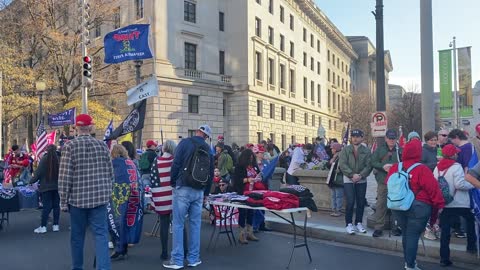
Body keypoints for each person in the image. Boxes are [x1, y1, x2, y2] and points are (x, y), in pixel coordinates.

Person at [58, 114, 114, 270]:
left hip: (77, 200)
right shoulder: (102, 145)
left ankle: (77, 267)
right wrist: (107, 193)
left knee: (77, 237)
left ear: (76, 128)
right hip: (100, 198)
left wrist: (63, 201)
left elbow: (64, 177)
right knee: (101, 235)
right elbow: (111, 173)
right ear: (90, 127)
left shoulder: (69, 146)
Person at [385, 139, 445, 270]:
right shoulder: (422, 169)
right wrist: (439, 205)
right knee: (413, 235)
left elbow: (388, 184)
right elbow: (433, 189)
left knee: (406, 233)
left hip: (398, 206)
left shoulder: (395, 167)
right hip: (419, 206)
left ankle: (408, 262)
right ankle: (410, 265)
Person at [163, 125, 214, 269]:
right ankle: (193, 258)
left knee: (178, 224)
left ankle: (177, 260)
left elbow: (176, 164)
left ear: (197, 131)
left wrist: (173, 181)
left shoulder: (185, 143)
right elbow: (209, 173)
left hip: (183, 187)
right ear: (206, 136)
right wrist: (206, 194)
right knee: (195, 224)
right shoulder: (208, 149)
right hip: (199, 190)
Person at [433, 144, 476, 266]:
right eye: (456, 153)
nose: (457, 154)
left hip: (445, 203)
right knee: (470, 220)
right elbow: (460, 184)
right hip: (459, 203)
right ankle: (471, 246)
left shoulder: (437, 168)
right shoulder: (456, 167)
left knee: (445, 232)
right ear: (452, 155)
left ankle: (444, 259)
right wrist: (473, 184)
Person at [109, 144, 143, 261]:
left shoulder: (115, 164)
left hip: (119, 196)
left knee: (115, 222)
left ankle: (119, 249)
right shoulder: (131, 163)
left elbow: (112, 179)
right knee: (127, 222)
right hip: (133, 196)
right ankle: (124, 249)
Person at [338, 129, 372, 235]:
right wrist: (352, 175)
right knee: (350, 201)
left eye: (357, 136)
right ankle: (349, 223)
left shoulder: (366, 151)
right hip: (348, 179)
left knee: (361, 202)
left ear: (362, 138)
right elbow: (342, 164)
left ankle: (359, 222)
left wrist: (361, 175)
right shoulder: (346, 150)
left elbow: (369, 165)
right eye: (353, 136)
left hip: (361, 179)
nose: (355, 138)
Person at [370, 129, 401, 237]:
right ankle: (378, 228)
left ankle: (396, 227)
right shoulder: (380, 150)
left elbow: (404, 163)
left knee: (396, 205)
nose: (392, 140)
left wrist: (395, 167)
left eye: (393, 138)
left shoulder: (399, 150)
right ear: (386, 138)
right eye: (390, 138)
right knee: (381, 204)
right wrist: (382, 166)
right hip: (383, 181)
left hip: (396, 182)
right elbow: (373, 161)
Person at [150, 140, 176, 261]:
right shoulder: (176, 160)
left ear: (163, 149)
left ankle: (164, 252)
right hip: (175, 195)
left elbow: (153, 181)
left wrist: (153, 199)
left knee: (164, 225)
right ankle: (183, 250)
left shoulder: (157, 160)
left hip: (161, 196)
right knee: (179, 225)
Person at [30, 144, 60, 234]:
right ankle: (56, 225)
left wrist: (31, 181)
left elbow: (38, 173)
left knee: (46, 207)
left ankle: (43, 226)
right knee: (56, 206)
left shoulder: (44, 159)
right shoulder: (59, 158)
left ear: (46, 150)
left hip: (46, 187)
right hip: (57, 186)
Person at [233, 148, 260, 244]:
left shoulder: (254, 166)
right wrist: (248, 180)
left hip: (253, 192)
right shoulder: (239, 167)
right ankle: (242, 234)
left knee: (251, 212)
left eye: (252, 158)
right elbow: (237, 180)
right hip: (242, 192)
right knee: (243, 212)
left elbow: (257, 175)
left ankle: (250, 232)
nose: (251, 160)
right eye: (250, 158)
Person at [326, 142, 344, 217]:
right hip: (332, 179)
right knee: (333, 195)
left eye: (332, 148)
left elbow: (344, 166)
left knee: (338, 196)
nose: (331, 150)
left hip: (338, 179)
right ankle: (334, 209)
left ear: (336, 149)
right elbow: (329, 166)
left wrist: (340, 170)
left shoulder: (341, 157)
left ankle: (338, 210)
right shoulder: (334, 157)